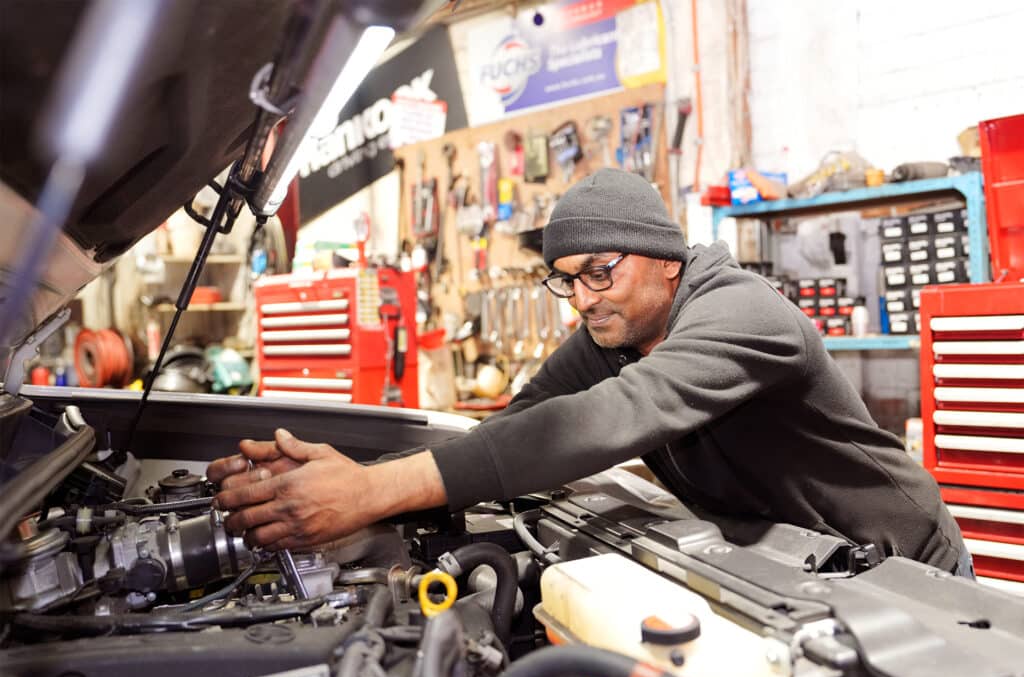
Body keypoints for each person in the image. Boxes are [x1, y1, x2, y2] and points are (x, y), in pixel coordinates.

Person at [209, 168, 971, 576]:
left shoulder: (743, 313)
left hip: (901, 561)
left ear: (666, 260)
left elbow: (607, 419)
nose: (580, 298)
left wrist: (372, 493)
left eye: (599, 271)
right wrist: (356, 474)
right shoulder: (615, 326)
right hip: (795, 563)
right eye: (566, 278)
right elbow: (518, 421)